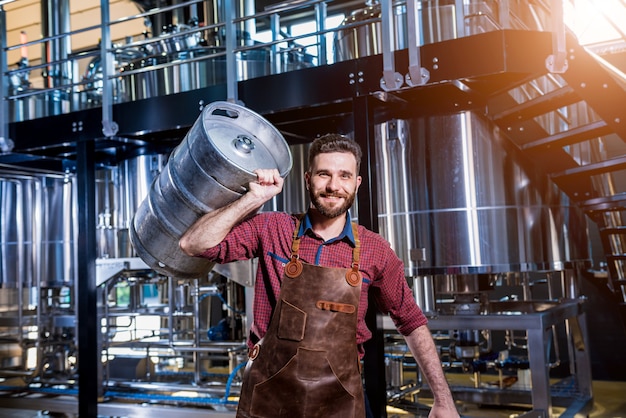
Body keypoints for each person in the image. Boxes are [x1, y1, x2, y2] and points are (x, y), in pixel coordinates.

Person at [179, 133, 459, 418]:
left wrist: (443, 399)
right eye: (324, 174)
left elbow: (411, 321)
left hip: (341, 401)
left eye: (344, 176)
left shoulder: (375, 250)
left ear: (357, 184)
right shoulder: (273, 229)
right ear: (308, 178)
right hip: (269, 397)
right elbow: (194, 244)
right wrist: (254, 198)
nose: (333, 186)